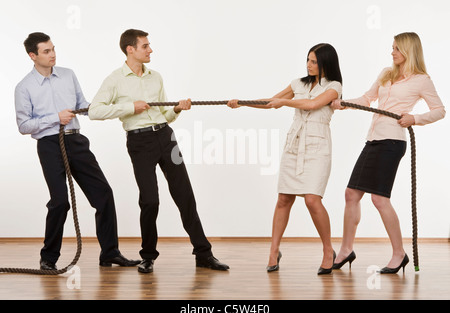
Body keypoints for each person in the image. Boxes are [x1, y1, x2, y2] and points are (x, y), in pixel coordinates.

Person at [88, 29, 229, 273]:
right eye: (145, 46)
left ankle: (203, 254)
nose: (150, 50)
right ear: (130, 49)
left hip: (166, 137)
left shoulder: (156, 77)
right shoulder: (115, 80)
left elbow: (165, 116)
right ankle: (148, 256)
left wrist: (176, 109)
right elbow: (94, 111)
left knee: (185, 196)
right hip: (139, 143)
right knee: (150, 200)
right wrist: (130, 107)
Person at [14, 32, 140, 270]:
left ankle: (110, 253)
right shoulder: (24, 87)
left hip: (76, 141)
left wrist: (118, 108)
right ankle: (48, 259)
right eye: (46, 51)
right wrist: (55, 118)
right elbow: (23, 125)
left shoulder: (68, 75)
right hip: (50, 145)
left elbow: (84, 105)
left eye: (53, 49)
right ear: (33, 56)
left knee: (104, 194)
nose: (53, 55)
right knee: (60, 202)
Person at [331, 32, 445, 274]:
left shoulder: (422, 80)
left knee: (379, 198)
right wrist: (344, 103)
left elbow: (439, 110)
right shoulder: (386, 73)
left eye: (396, 48)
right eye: (392, 47)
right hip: (373, 139)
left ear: (409, 51)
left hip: (392, 142)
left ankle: (399, 254)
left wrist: (415, 118)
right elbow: (367, 98)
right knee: (351, 194)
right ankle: (346, 250)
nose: (392, 52)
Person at [228, 43, 343, 274]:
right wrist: (242, 102)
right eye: (308, 60)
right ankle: (273, 250)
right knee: (283, 199)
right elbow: (271, 102)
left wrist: (286, 102)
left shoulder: (334, 86)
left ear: (325, 63)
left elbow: (311, 104)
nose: (309, 65)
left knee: (312, 200)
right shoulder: (298, 83)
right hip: (294, 145)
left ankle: (328, 250)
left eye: (314, 61)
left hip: (317, 147)